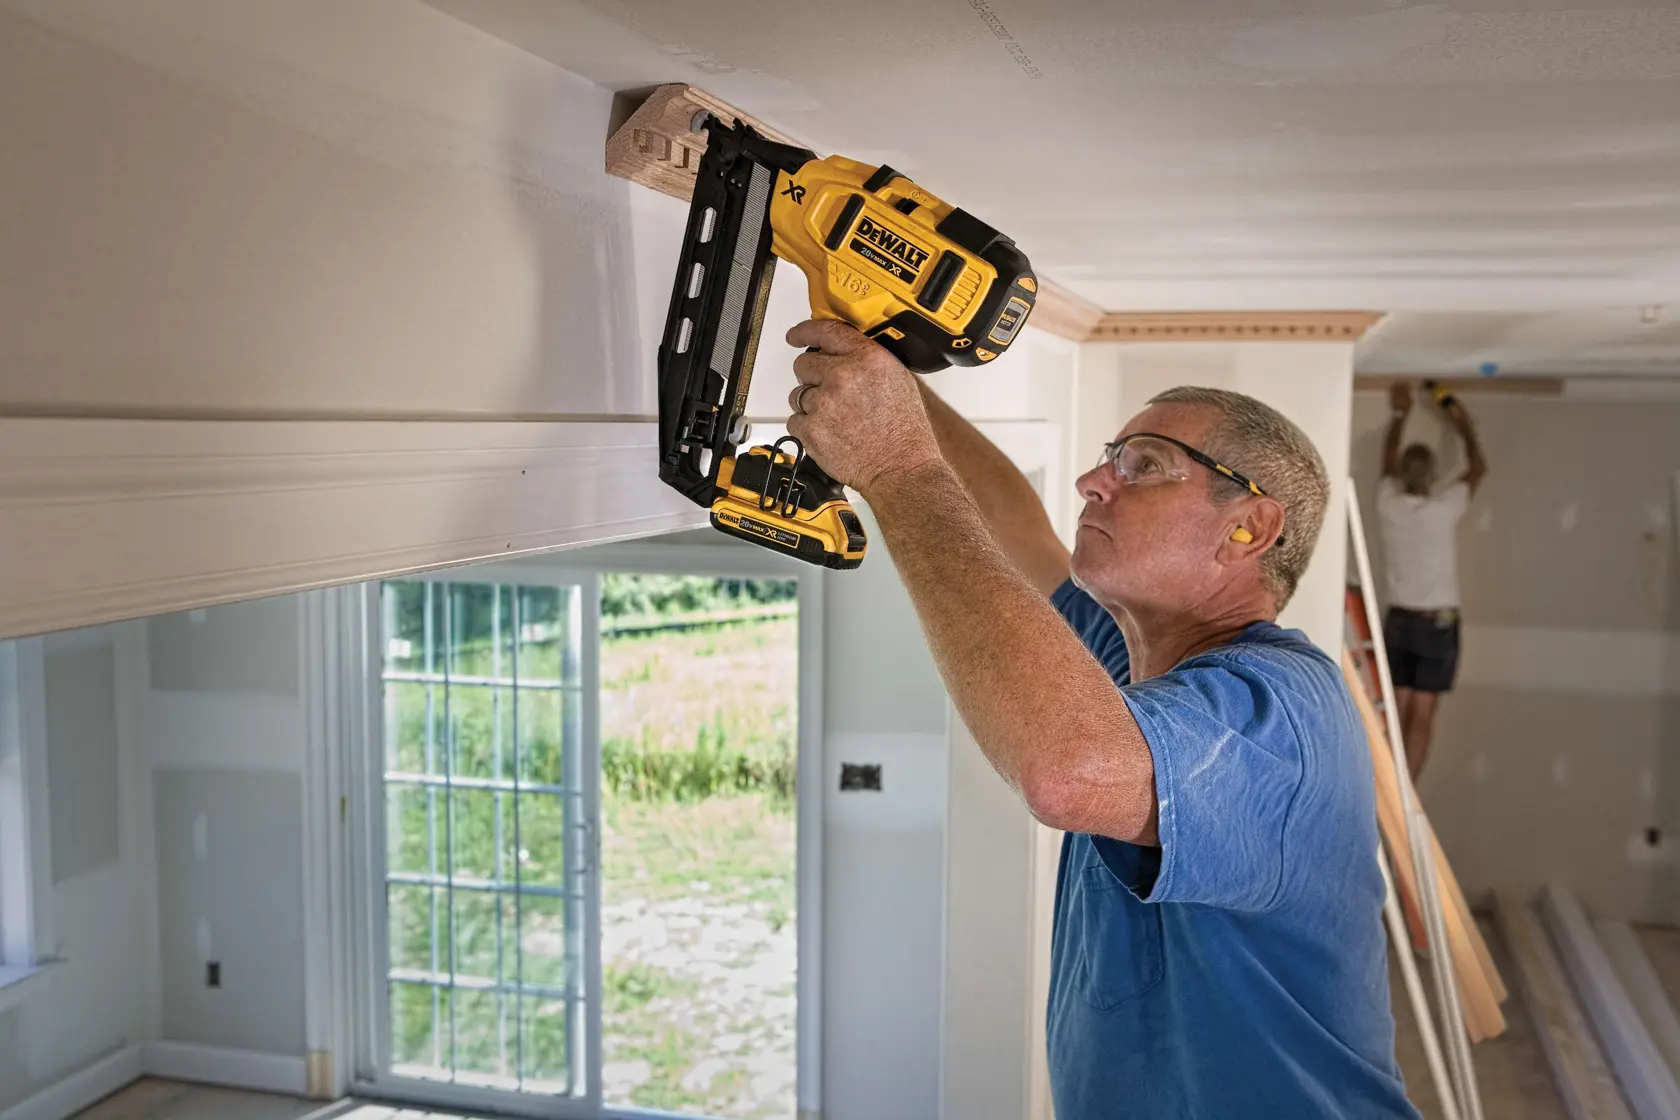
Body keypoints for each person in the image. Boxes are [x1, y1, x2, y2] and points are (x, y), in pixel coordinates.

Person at [782, 319, 1419, 1119]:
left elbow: (1069, 770)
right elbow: (1015, 531)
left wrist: (898, 469)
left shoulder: (1282, 713)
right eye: (1107, 458)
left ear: (1249, 528)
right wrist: (892, 382)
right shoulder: (1133, 665)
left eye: (1143, 464)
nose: (1092, 480)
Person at [1376, 381, 1487, 780]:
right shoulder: (1444, 508)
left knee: (1398, 707)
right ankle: (1407, 791)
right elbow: (1478, 468)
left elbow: (1387, 460)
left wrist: (1401, 413)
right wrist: (1461, 423)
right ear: (1434, 475)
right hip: (1437, 624)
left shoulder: (1389, 504)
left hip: (1400, 621)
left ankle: (1386, 787)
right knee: (1421, 715)